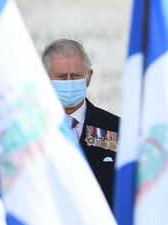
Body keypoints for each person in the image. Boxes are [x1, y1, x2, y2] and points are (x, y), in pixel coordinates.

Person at [42, 39, 120, 209]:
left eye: (76, 76)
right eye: (62, 77)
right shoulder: (30, 131)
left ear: (88, 77)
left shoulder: (117, 128)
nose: (69, 82)